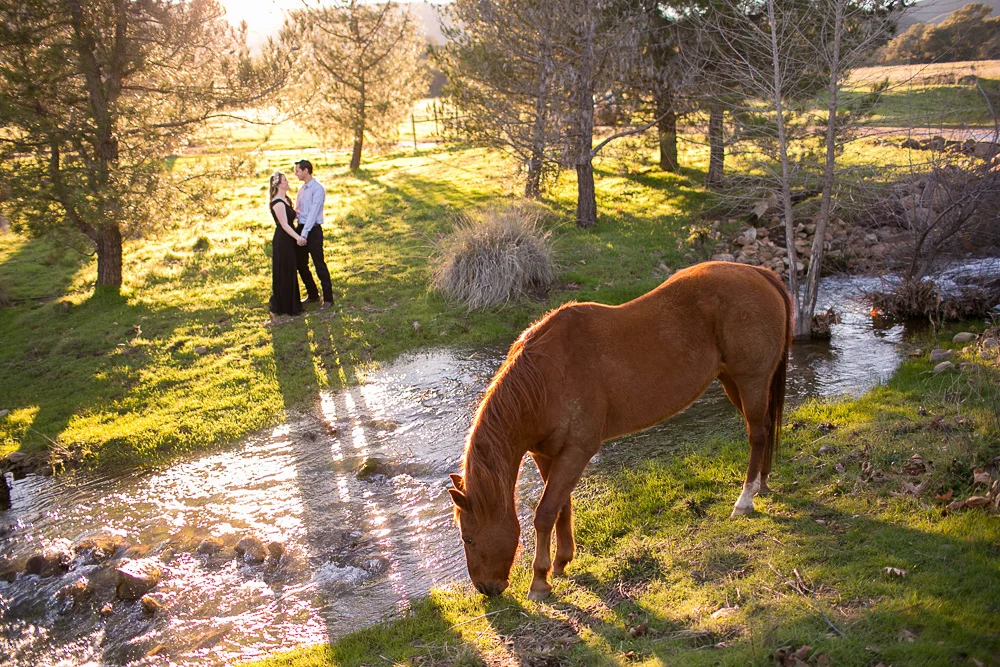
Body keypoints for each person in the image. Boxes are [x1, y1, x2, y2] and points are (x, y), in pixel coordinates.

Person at [293, 159, 333, 309]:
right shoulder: (301, 190)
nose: (295, 174)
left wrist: (304, 234)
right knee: (301, 264)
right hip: (301, 228)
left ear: (305, 171)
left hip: (313, 230)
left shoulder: (318, 189)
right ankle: (313, 294)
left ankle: (328, 298)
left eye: (297, 170)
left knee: (319, 263)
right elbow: (300, 212)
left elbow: (312, 214)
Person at [268, 171, 307, 318]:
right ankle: (285, 304)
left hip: (290, 238)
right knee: (284, 269)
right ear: (278, 184)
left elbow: (294, 217)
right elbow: (284, 224)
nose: (288, 182)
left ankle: (293, 301)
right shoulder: (277, 203)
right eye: (285, 180)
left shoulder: (286, 199)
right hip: (283, 240)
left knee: (291, 269)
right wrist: (298, 237)